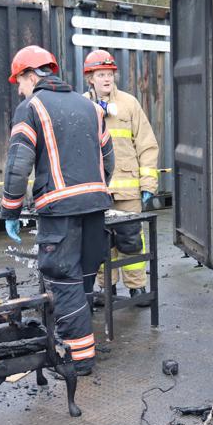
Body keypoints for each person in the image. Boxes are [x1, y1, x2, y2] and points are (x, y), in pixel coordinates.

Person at [0, 45, 114, 375]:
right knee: (83, 280)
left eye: (18, 81)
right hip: (95, 208)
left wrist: (10, 209)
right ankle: (82, 347)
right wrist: (94, 191)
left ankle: (78, 361)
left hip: (59, 211)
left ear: (29, 74)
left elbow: (17, 166)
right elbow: (108, 160)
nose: (19, 89)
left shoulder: (31, 107)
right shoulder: (91, 107)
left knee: (64, 282)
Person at [82, 50, 159, 303]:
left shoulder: (129, 104)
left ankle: (138, 289)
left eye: (110, 74)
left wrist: (148, 183)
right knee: (103, 244)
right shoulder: (82, 105)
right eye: (101, 74)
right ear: (90, 78)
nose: (107, 79)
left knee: (131, 240)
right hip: (97, 192)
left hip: (127, 192)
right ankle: (107, 289)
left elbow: (147, 145)